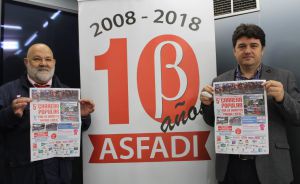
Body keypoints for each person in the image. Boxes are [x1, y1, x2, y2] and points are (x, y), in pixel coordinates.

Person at [200, 24, 300, 184]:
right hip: (231, 165)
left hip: (272, 166)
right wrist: (207, 105)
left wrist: (283, 98)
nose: (247, 50)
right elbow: (211, 122)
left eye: (254, 45)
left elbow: (297, 118)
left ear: (262, 49)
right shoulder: (219, 81)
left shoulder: (284, 77)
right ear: (234, 51)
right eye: (242, 46)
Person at [0, 43, 95, 184]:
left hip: (59, 175)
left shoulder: (67, 93)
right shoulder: (6, 91)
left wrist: (83, 116)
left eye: (48, 59)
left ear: (54, 62)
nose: (43, 63)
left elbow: (80, 130)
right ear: (26, 62)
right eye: (37, 59)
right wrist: (10, 113)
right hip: (21, 175)